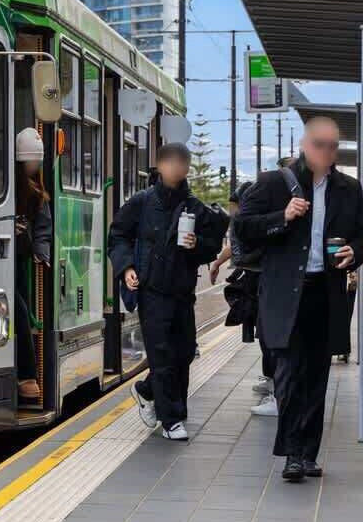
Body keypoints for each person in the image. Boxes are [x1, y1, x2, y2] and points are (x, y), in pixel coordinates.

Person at [235, 117, 363, 482]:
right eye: (319, 143)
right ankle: (292, 452)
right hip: (284, 294)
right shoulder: (273, 183)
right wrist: (283, 216)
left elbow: (362, 234)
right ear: (305, 146)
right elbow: (243, 226)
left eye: (332, 145)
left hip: (326, 292)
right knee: (289, 374)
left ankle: (308, 454)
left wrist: (355, 250)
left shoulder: (349, 189)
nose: (326, 151)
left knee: (317, 377)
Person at [108, 143, 228, 440]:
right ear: (160, 166)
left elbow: (211, 247)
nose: (177, 168)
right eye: (171, 163)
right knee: (161, 355)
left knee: (185, 352)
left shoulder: (195, 207)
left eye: (182, 164)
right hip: (152, 290)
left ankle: (146, 390)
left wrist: (196, 245)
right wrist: (126, 268)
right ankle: (171, 419)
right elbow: (118, 235)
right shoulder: (142, 202)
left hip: (182, 291)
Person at [216, 181, 277, 416]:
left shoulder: (260, 223)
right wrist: (219, 262)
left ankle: (277, 393)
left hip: (265, 285)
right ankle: (272, 384)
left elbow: (243, 251)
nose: (234, 213)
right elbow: (235, 248)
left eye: (236, 208)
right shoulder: (251, 221)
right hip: (257, 284)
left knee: (269, 337)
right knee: (264, 336)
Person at [14, 128, 52, 401]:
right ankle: (27, 375)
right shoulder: (11, 187)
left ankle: (27, 375)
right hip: (10, 260)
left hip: (19, 262)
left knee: (21, 311)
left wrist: (40, 251)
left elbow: (43, 229)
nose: (36, 166)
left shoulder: (36, 194)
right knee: (20, 311)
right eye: (32, 161)